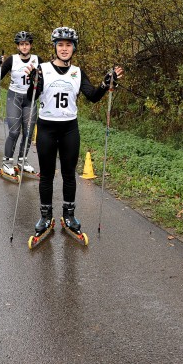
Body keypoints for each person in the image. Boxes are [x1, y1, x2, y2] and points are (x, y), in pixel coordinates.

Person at [26, 27, 123, 237]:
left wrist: (106, 83)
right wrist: (32, 83)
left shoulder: (78, 72)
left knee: (70, 174)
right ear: (54, 47)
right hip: (46, 128)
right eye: (60, 44)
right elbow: (29, 99)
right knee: (47, 175)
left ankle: (69, 215)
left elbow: (93, 96)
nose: (64, 48)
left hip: (70, 128)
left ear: (74, 48)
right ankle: (45, 216)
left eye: (68, 45)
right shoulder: (42, 69)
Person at [0, 31, 43, 177]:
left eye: (27, 44)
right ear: (18, 46)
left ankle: (22, 160)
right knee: (14, 131)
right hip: (14, 96)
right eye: (22, 44)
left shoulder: (37, 60)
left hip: (30, 98)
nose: (24, 47)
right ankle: (7, 162)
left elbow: (44, 78)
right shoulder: (12, 60)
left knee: (28, 132)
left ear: (30, 45)